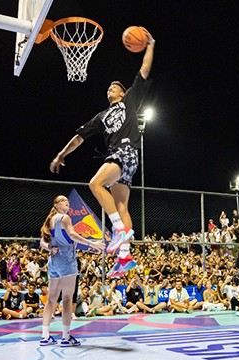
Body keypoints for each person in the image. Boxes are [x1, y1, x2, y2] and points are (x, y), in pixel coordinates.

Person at [49, 28, 156, 278]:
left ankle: (119, 231)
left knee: (95, 183)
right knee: (121, 205)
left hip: (125, 151)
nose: (111, 88)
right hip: (122, 158)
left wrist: (149, 45)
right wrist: (61, 154)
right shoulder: (101, 117)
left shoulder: (129, 101)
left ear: (123, 93)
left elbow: (144, 71)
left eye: (115, 87)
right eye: (108, 87)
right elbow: (79, 137)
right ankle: (125, 256)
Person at [38, 195, 105, 346]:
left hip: (53, 260)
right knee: (67, 299)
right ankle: (66, 337)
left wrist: (49, 247)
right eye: (62, 200)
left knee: (51, 299)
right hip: (67, 259)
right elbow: (73, 235)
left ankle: (45, 335)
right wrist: (91, 243)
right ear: (56, 205)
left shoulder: (49, 220)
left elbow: (42, 241)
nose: (66, 201)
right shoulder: (64, 218)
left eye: (66, 200)